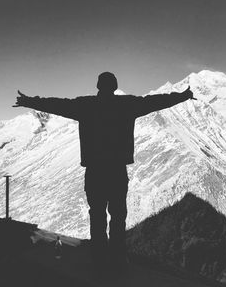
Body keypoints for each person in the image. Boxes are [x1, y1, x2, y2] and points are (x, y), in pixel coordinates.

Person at [13, 72, 196, 269]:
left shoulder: (85, 105)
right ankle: (117, 257)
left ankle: (99, 256)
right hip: (117, 170)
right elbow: (155, 102)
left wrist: (29, 101)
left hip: (95, 171)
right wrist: (182, 96)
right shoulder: (127, 105)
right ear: (115, 86)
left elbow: (57, 104)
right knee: (118, 216)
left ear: (98, 85)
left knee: (97, 215)